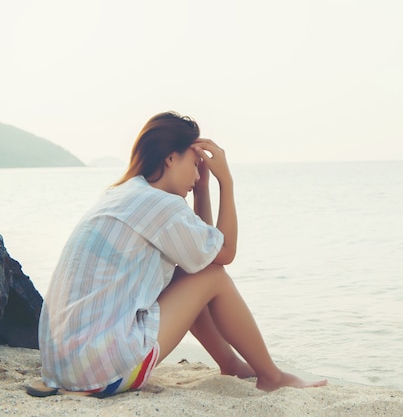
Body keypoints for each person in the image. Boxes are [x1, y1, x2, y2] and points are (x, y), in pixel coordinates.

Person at [34, 111, 327, 397]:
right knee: (213, 276)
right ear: (171, 159)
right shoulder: (161, 205)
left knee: (192, 271)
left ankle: (231, 364)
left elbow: (201, 253)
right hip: (102, 371)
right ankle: (271, 376)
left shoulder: (122, 194)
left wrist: (201, 191)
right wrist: (226, 182)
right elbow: (224, 254)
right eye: (196, 164)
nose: (200, 173)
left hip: (63, 365)